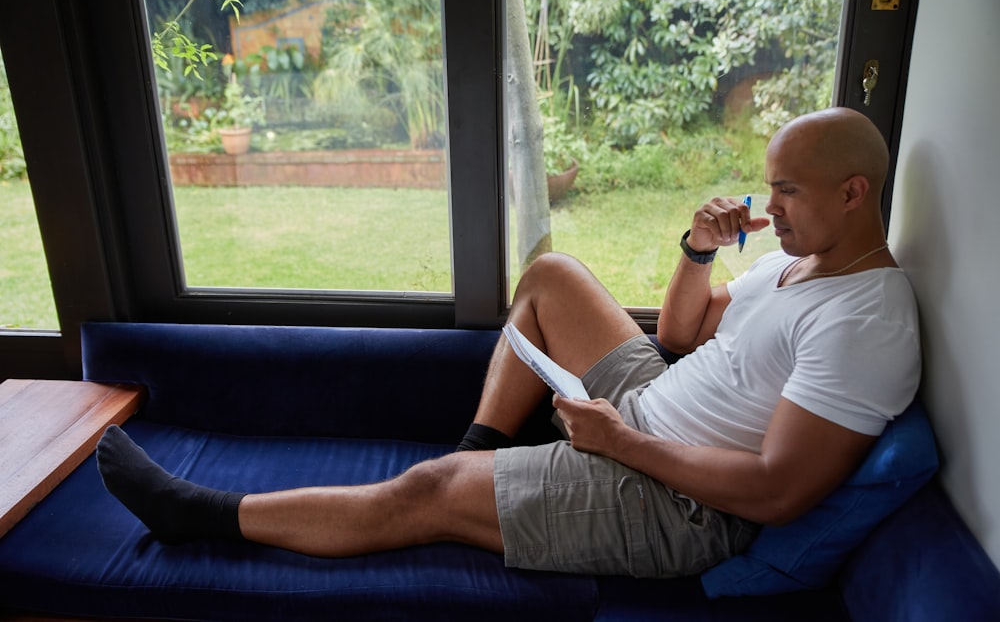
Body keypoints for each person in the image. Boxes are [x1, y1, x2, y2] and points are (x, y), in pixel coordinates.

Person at [96, 106, 921, 578]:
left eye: (786, 193)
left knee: (424, 489)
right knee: (552, 275)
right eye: (768, 189)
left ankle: (198, 515)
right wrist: (697, 252)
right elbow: (678, 332)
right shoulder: (795, 262)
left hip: (681, 501)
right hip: (646, 411)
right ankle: (480, 452)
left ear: (853, 194)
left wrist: (620, 442)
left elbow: (778, 494)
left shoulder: (868, 321)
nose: (767, 208)